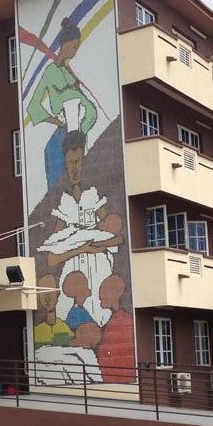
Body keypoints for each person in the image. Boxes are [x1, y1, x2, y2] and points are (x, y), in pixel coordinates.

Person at [37, 130, 124, 326]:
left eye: (78, 162)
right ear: (65, 166)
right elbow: (51, 257)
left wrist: (98, 245)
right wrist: (82, 248)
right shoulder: (64, 203)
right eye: (70, 164)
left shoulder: (93, 196)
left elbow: (118, 238)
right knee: (68, 319)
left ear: (85, 161)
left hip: (99, 270)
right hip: (73, 273)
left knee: (101, 317)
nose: (74, 169)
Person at [25, 17, 98, 189]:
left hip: (78, 134)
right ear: (64, 45)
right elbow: (33, 106)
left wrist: (81, 132)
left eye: (77, 48)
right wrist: (56, 121)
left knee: (80, 178)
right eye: (74, 47)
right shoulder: (51, 72)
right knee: (59, 176)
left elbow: (90, 110)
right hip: (64, 132)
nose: (75, 52)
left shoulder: (70, 73)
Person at [96, 274, 135, 383]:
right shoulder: (116, 319)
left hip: (117, 377)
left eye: (103, 292)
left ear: (115, 294)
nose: (100, 297)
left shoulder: (122, 320)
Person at [33, 274, 73, 347]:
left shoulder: (65, 328)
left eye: (50, 292)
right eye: (43, 293)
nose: (47, 299)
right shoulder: (36, 331)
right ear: (38, 296)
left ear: (58, 293)